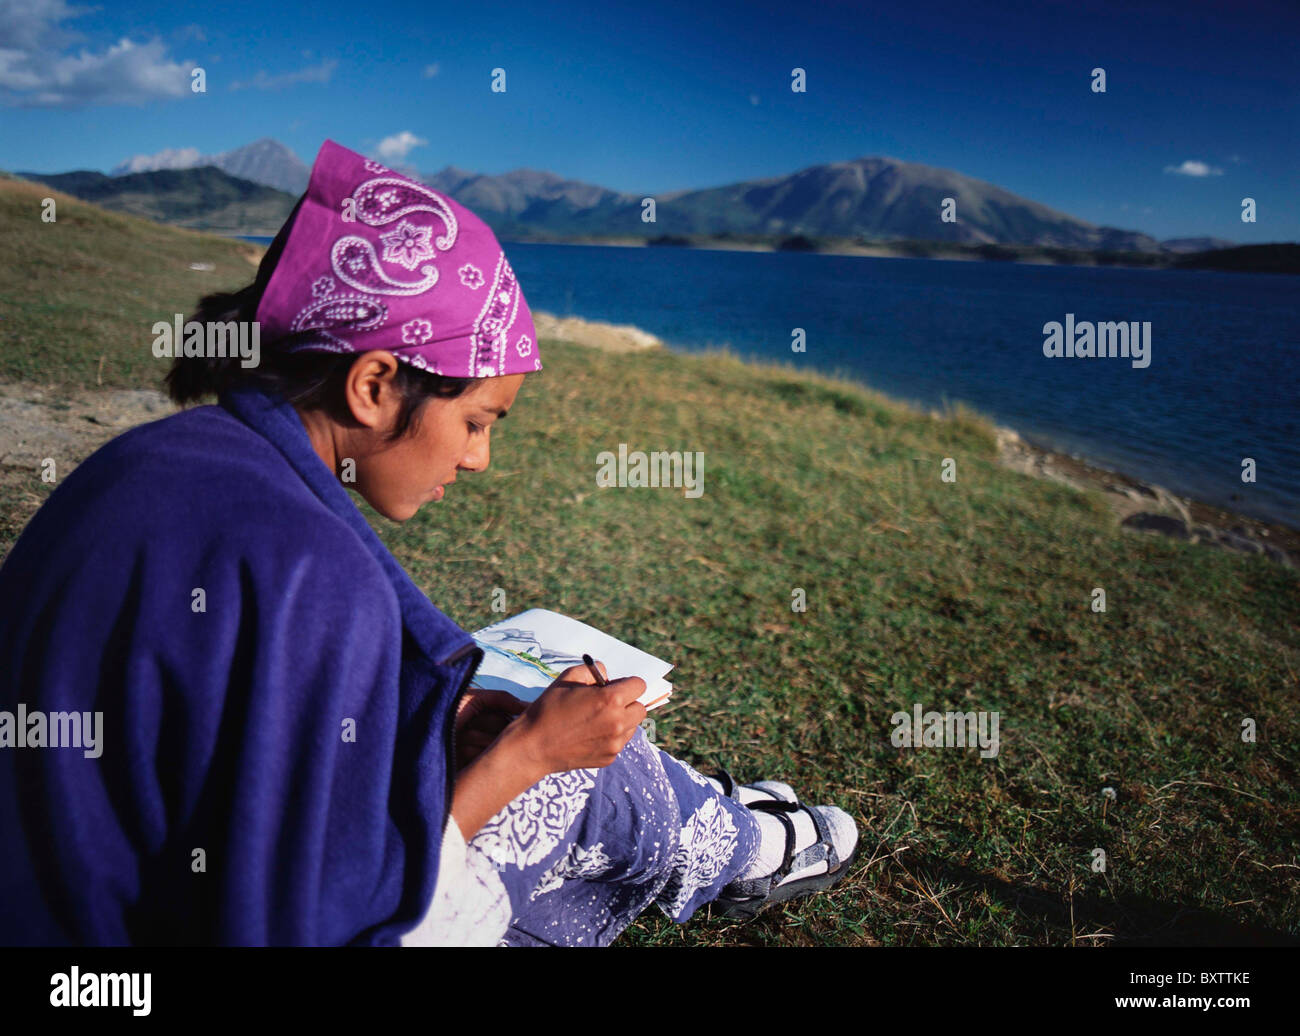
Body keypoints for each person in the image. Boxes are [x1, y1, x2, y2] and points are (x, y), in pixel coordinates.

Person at [0, 140, 857, 946]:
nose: (479, 460)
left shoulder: (150, 457)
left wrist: (428, 718)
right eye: (477, 422)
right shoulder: (315, 575)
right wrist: (525, 758)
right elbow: (335, 931)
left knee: (526, 740)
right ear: (374, 383)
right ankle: (744, 845)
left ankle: (732, 829)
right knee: (577, 775)